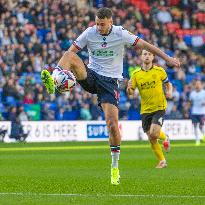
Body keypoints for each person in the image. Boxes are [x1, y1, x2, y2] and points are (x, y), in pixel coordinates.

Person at [41, 8, 180, 184]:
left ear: (110, 22)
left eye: (102, 24)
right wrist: (63, 71)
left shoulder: (121, 33)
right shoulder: (89, 32)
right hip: (91, 75)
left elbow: (146, 45)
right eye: (97, 23)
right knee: (69, 54)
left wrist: (167, 58)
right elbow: (70, 53)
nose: (98, 27)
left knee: (112, 124)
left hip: (110, 83)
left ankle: (114, 168)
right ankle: (54, 81)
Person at [127, 49, 173, 169]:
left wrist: (169, 91)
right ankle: (162, 161)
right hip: (145, 110)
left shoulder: (159, 71)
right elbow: (131, 93)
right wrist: (129, 88)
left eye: (149, 54)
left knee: (154, 133)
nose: (147, 56)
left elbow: (168, 84)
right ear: (141, 57)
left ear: (153, 57)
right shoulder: (136, 74)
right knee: (151, 138)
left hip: (159, 107)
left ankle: (165, 137)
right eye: (144, 54)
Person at [189, 79, 205, 146]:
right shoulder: (192, 93)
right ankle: (197, 140)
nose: (197, 85)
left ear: (201, 85)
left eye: (199, 84)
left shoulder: (204, 92)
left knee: (201, 126)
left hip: (202, 112)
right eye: (196, 84)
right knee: (195, 126)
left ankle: (203, 135)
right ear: (195, 85)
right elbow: (190, 102)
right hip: (194, 112)